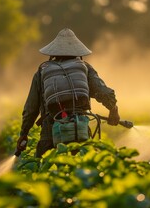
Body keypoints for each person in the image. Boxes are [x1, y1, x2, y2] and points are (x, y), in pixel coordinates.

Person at [16, 28, 120, 158]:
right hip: (79, 132)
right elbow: (104, 92)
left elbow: (30, 109)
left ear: (52, 53)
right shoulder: (84, 68)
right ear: (78, 52)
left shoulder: (42, 72)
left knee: (43, 170)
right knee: (85, 166)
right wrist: (113, 109)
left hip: (50, 136)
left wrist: (23, 134)